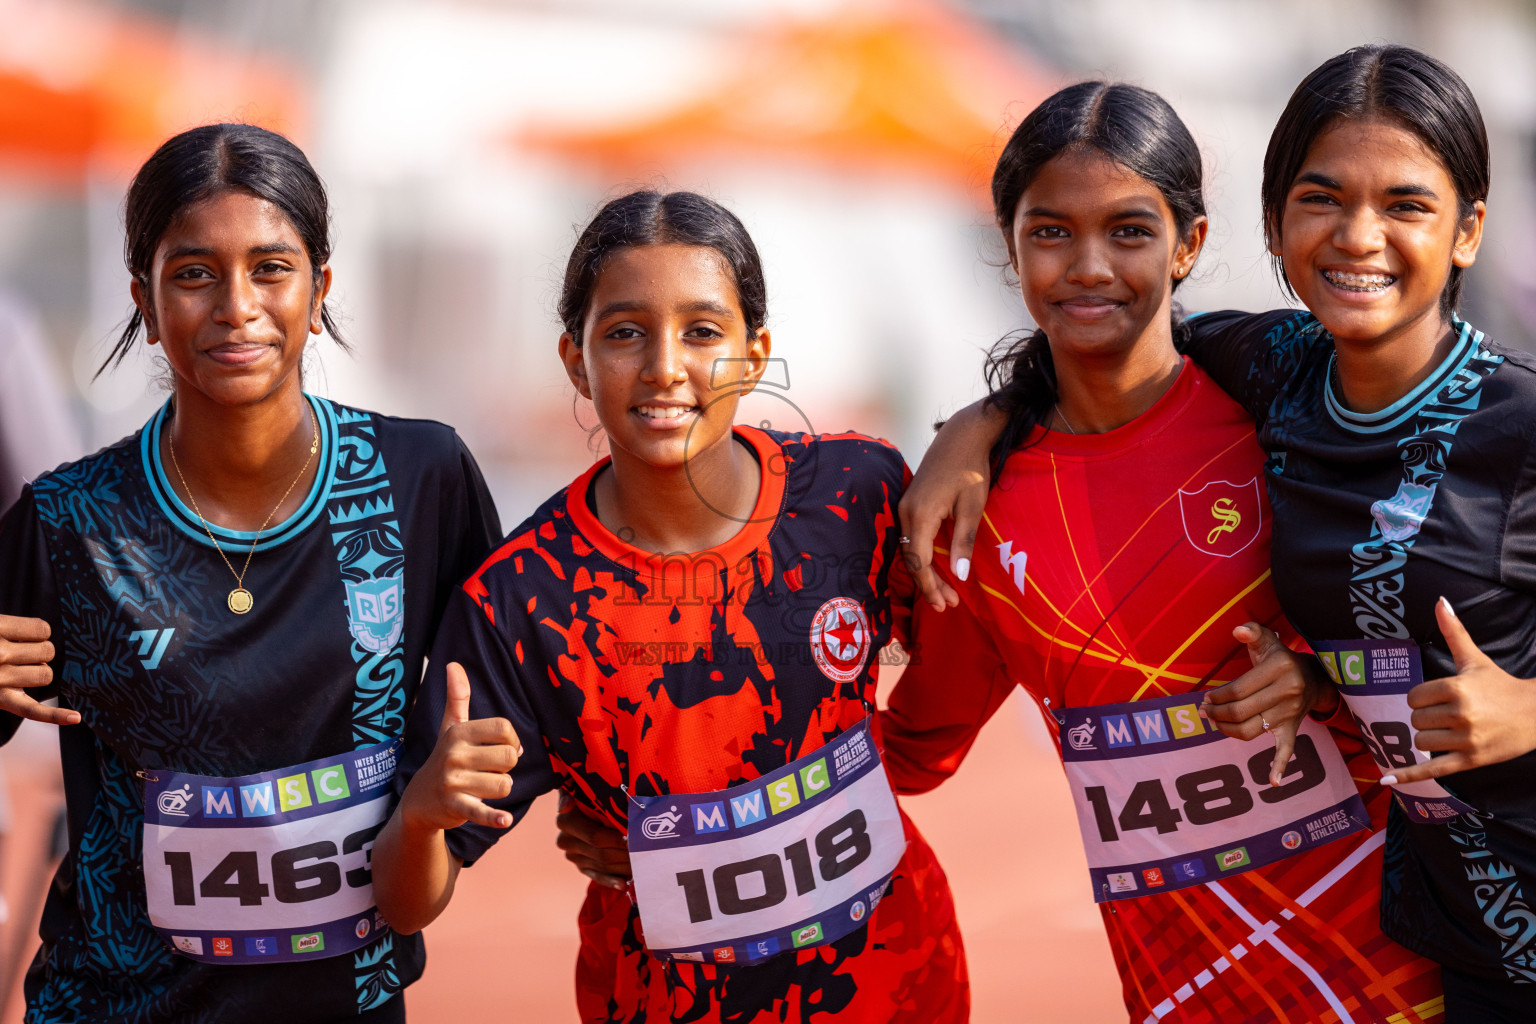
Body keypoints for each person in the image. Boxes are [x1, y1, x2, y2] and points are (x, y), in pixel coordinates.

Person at [912, 46, 1536, 1022]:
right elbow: (1128, 323)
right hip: (1407, 957)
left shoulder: (1476, 419)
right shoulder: (1279, 376)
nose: (1357, 236)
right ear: (1276, 225)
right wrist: (981, 421)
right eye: (1321, 199)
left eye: (1405, 204)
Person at [373, 189, 969, 1023]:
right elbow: (406, 903)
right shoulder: (521, 600)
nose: (663, 367)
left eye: (702, 331)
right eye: (623, 333)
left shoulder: (854, 492)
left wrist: (979, 421)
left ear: (754, 354)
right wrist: (424, 816)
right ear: (575, 360)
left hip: (899, 987)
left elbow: (973, 649)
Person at [0, 123, 501, 1023]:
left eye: (271, 268)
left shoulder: (420, 480)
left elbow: (526, 679)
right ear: (145, 304)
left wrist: (615, 821)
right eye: (194, 273)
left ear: (319, 291)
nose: (237, 305)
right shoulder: (65, 523)